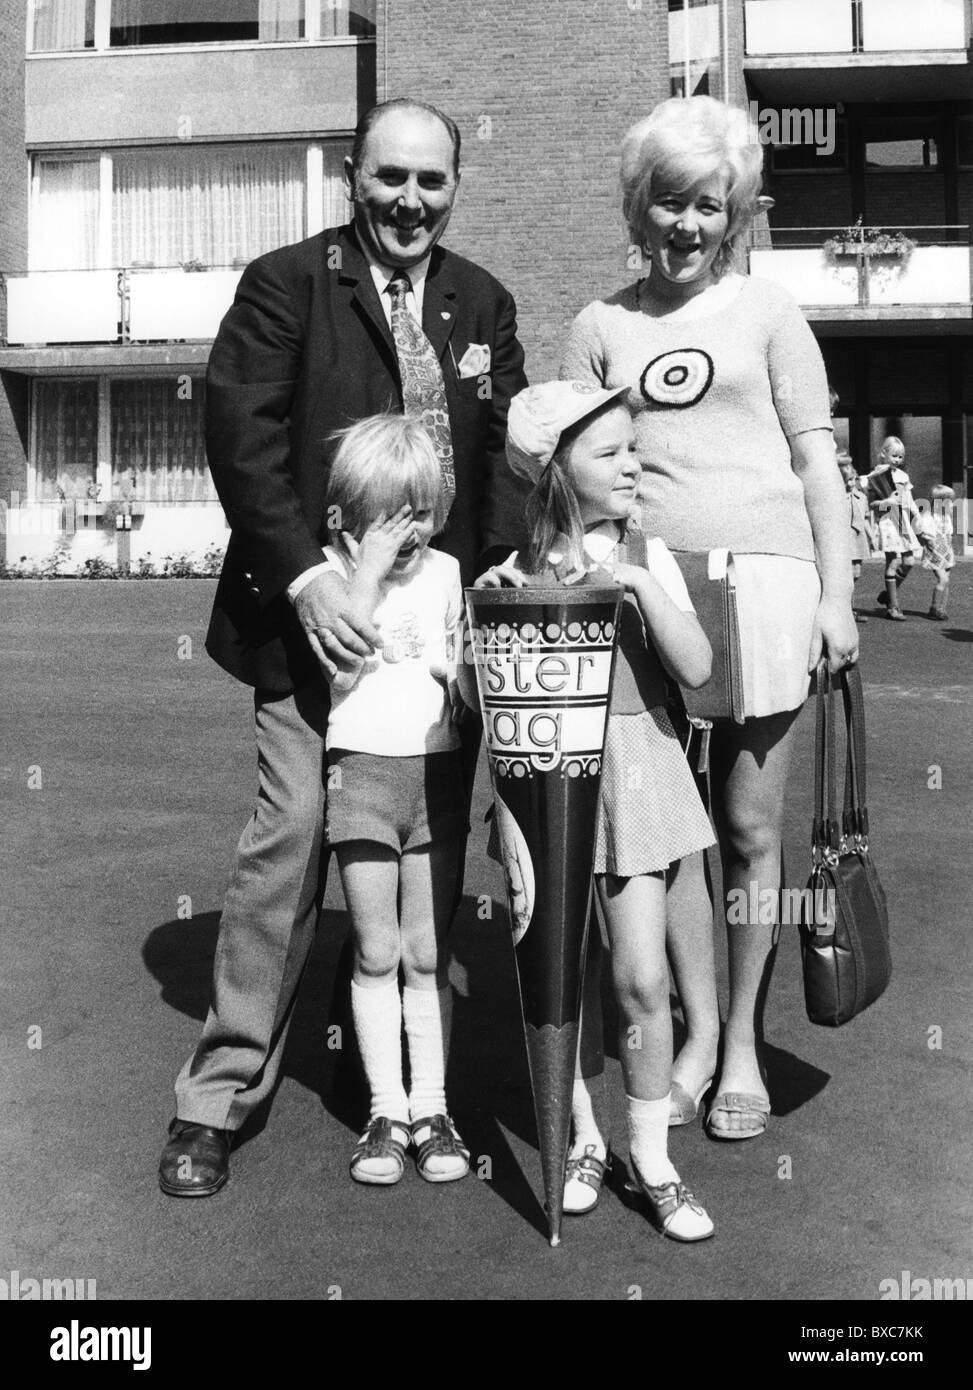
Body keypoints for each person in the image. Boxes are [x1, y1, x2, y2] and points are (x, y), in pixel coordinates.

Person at [159, 97, 528, 1197]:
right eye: (389, 177)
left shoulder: (482, 300)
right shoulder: (285, 283)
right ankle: (216, 1098)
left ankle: (406, 1086)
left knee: (431, 864)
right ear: (354, 178)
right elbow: (243, 436)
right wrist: (311, 575)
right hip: (309, 627)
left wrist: (504, 587)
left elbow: (502, 458)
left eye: (431, 180)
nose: (409, 199)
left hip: (436, 649)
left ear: (455, 184)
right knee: (295, 835)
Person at [559, 95, 858, 1143]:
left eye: (708, 207)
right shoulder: (599, 326)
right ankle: (683, 1038)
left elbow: (817, 458)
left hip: (768, 586)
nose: (686, 225)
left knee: (747, 830)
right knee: (659, 831)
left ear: (731, 216)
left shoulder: (771, 312)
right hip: (649, 592)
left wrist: (835, 592)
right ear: (636, 208)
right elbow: (578, 474)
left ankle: (738, 1040)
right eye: (668, 203)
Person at [477, 380, 717, 1241]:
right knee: (561, 972)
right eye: (608, 451)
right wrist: (496, 608)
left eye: (632, 447)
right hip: (544, 783)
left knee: (640, 976)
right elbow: (480, 704)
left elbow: (695, 670)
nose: (631, 463)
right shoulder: (513, 568)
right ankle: (584, 1138)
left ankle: (650, 1158)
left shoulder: (647, 556)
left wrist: (636, 591)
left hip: (637, 772)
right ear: (553, 471)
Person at [319, 415, 472, 1185]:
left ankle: (432, 1109)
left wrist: (464, 680)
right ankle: (385, 1109)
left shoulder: (446, 574)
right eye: (389, 515)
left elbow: (461, 671)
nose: (407, 532)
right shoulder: (332, 579)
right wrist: (367, 575)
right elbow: (335, 679)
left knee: (424, 950)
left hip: (435, 778)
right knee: (375, 950)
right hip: (362, 779)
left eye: (420, 511)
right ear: (346, 515)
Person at [862, 437, 921, 621]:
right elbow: (872, 505)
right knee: (893, 562)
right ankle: (893, 607)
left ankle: (888, 595)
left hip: (902, 520)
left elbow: (908, 500)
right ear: (884, 454)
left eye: (900, 456)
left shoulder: (903, 476)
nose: (897, 459)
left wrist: (916, 517)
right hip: (887, 521)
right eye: (894, 455)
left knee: (909, 561)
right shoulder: (873, 477)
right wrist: (887, 502)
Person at [838, 451, 876, 624]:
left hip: (858, 538)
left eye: (853, 479)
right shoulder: (837, 498)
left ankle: (848, 607)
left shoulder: (861, 497)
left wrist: (872, 537)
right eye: (847, 480)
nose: (850, 483)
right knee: (845, 576)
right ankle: (848, 611)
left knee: (856, 574)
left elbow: (866, 519)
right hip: (844, 539)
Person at [915, 484, 956, 622]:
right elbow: (923, 532)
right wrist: (928, 541)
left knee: (946, 580)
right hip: (935, 550)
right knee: (942, 579)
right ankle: (934, 608)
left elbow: (949, 532)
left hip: (946, 549)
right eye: (948, 500)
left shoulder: (947, 516)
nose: (951, 503)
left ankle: (941, 608)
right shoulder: (929, 516)